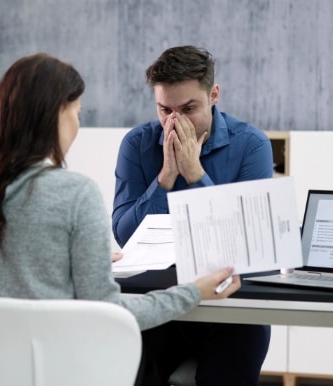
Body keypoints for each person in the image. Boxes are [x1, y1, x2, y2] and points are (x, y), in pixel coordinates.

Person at [0, 53, 240, 380]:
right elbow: (110, 312)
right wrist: (193, 292)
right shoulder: (77, 193)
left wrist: (77, 258)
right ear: (56, 114)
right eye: (77, 113)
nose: (77, 125)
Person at [112, 45, 273, 385]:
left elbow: (246, 241)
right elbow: (125, 236)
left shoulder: (251, 145)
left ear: (213, 95)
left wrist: (194, 172)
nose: (175, 122)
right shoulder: (136, 144)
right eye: (165, 110)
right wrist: (166, 176)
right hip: (156, 302)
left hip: (231, 307)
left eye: (188, 109)